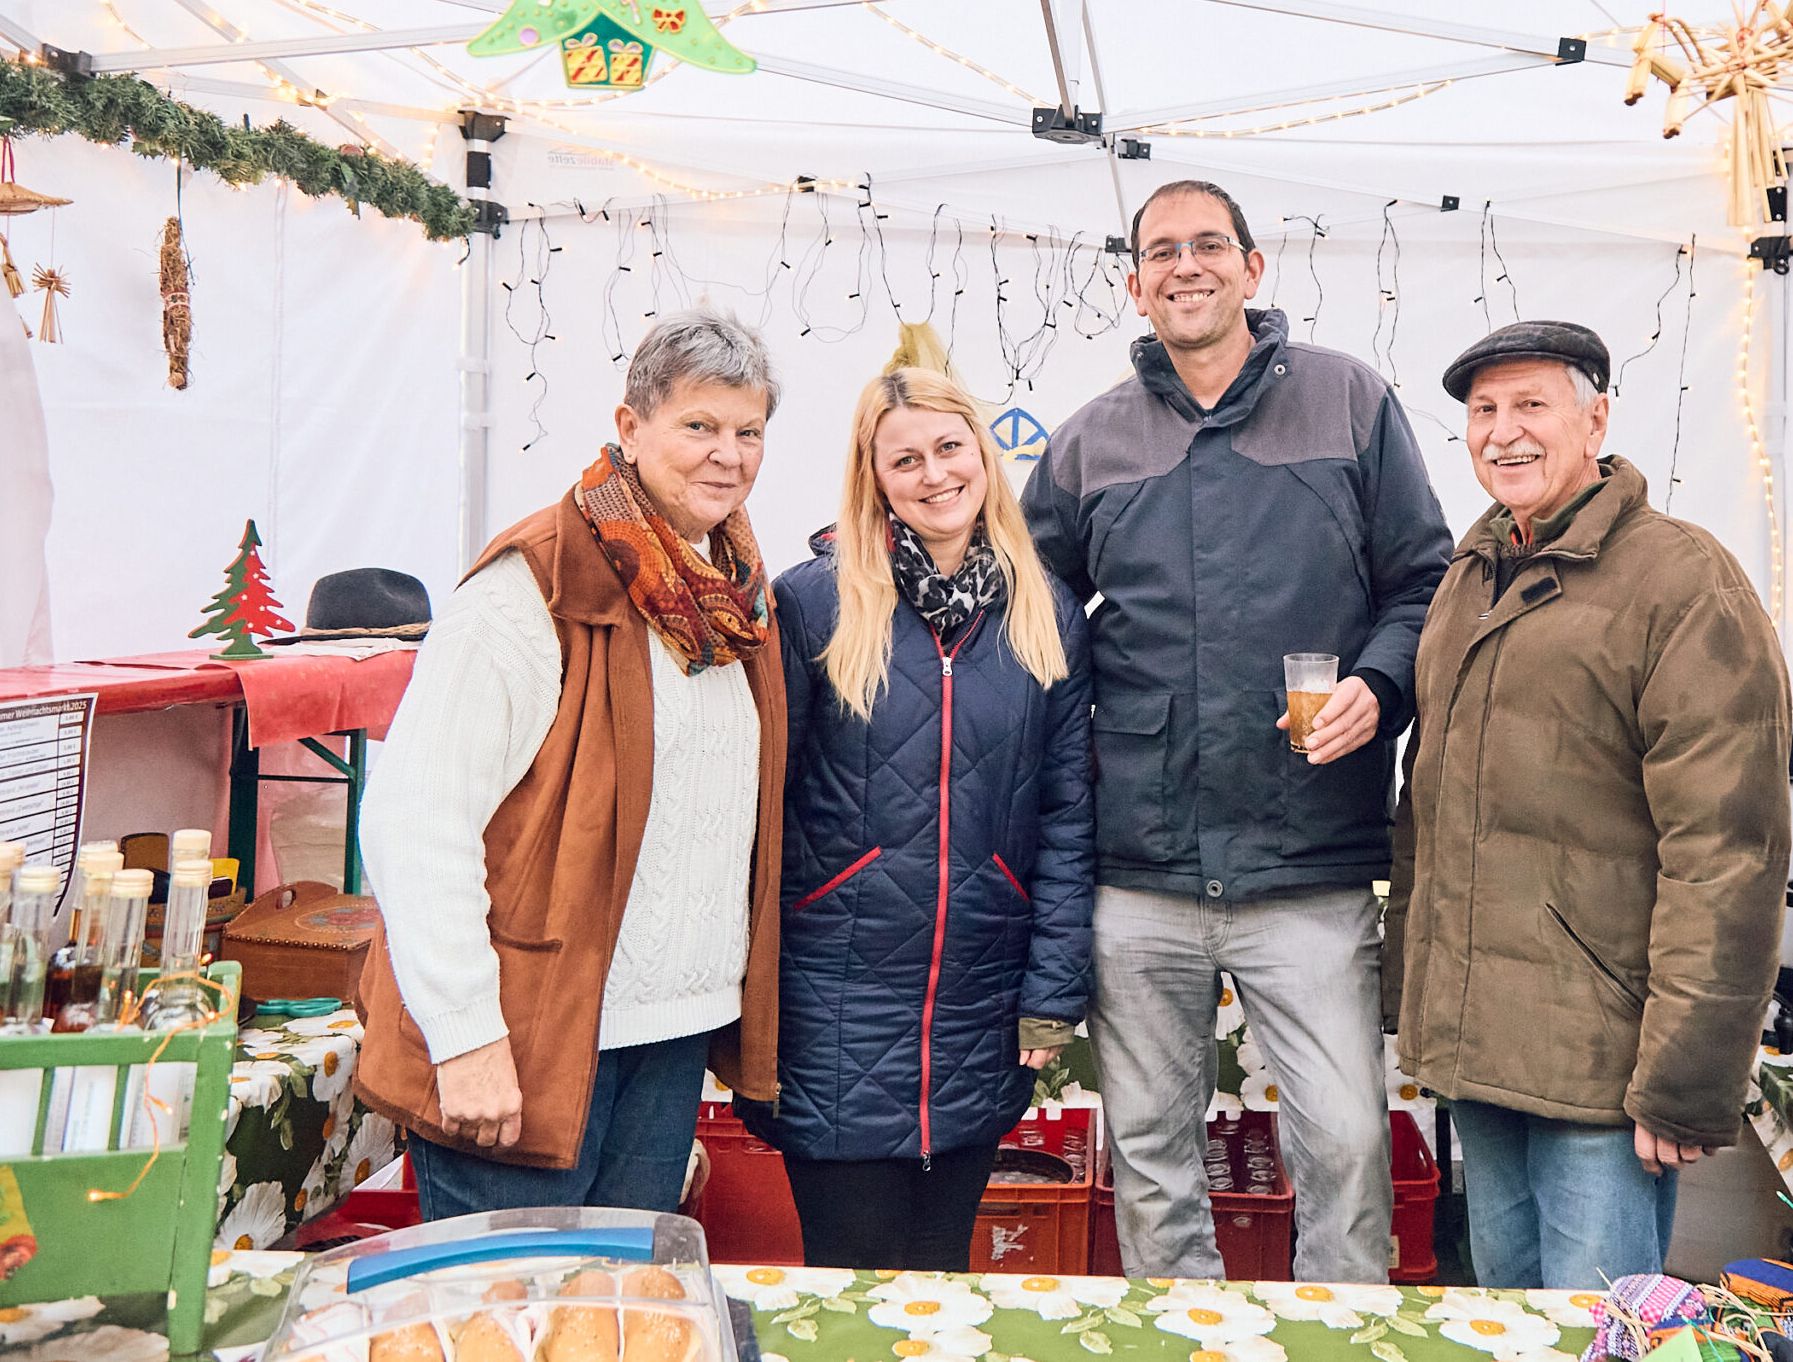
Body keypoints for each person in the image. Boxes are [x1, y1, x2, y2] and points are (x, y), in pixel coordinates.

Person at [1021, 178, 1452, 1282]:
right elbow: (1029, 620)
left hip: (1305, 863)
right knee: (1153, 1154)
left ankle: (1342, 1340)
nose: (1185, 266)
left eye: (1208, 244)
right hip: (1141, 872)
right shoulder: (1086, 443)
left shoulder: (1349, 402)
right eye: (1160, 251)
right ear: (1133, 284)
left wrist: (1378, 685)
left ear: (1254, 270)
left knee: (1346, 1146)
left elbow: (1423, 583)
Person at [355, 310, 787, 1219]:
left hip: (665, 1040)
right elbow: (414, 817)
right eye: (699, 426)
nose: (729, 454)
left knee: (620, 1322)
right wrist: (466, 1035)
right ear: (630, 429)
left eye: (748, 431)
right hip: (531, 1036)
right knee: (509, 1320)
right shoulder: (533, 589)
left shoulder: (736, 599)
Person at [1387, 320, 1791, 1291]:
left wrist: (1686, 1079)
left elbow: (1726, 852)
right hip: (1483, 1048)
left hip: (1602, 1062)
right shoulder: (1469, 575)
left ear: (1595, 419)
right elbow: (1430, 805)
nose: (1502, 432)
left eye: (1531, 405)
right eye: (1484, 411)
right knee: (1509, 1311)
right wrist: (1415, 995)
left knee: (1595, 1321)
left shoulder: (1681, 582)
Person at [739, 367, 1094, 1269]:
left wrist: (1050, 995)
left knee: (941, 1280)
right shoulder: (814, 600)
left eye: (948, 448)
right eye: (906, 459)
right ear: (874, 475)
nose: (935, 474)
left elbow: (1066, 815)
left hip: (980, 1000)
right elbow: (759, 810)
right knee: (851, 1283)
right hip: (834, 1001)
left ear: (983, 453)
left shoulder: (1046, 611)